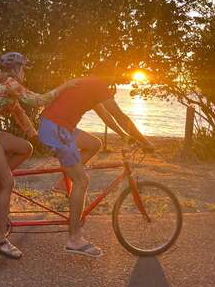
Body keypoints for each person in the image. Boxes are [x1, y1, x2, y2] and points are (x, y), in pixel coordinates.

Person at [0, 52, 77, 260]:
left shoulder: (4, 89)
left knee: (25, 148)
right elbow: (37, 100)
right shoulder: (9, 83)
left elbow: (21, 116)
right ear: (15, 69)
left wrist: (41, 141)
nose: (24, 73)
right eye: (23, 69)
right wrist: (65, 86)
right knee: (8, 183)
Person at [38, 60, 154, 258]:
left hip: (55, 126)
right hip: (57, 129)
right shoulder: (98, 85)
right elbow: (120, 115)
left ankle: (64, 179)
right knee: (82, 181)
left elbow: (107, 117)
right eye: (113, 77)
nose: (113, 83)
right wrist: (143, 141)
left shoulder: (89, 84)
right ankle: (74, 239)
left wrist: (125, 136)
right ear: (109, 76)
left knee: (94, 144)